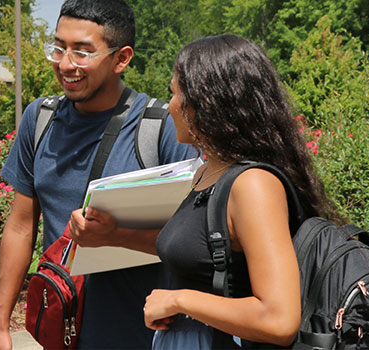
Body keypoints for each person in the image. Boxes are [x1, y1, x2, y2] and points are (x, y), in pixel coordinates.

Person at [0, 0, 196, 348]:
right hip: (62, 334)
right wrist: (0, 326)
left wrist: (116, 235)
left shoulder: (161, 128)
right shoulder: (38, 120)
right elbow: (21, 225)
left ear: (121, 58)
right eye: (58, 48)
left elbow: (191, 240)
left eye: (82, 52)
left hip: (144, 337)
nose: (65, 64)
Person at [144, 34, 345, 348]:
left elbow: (278, 319)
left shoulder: (252, 186)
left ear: (205, 100)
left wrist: (179, 300)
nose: (169, 106)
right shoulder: (206, 173)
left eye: (173, 93)